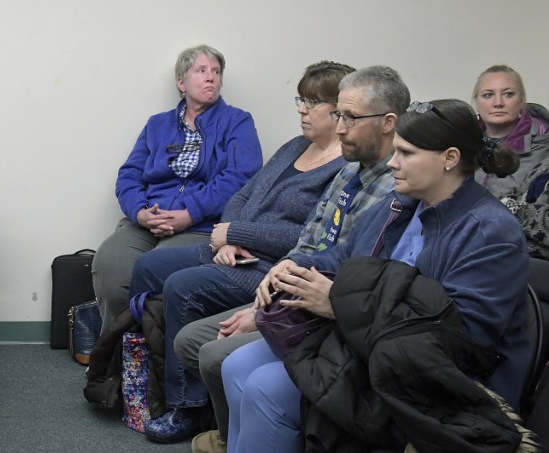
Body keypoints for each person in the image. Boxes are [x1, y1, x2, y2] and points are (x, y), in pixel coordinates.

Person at [222, 99, 529, 453]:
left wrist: (339, 305)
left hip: (438, 380)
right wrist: (295, 269)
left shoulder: (490, 233)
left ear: (450, 158)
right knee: (236, 365)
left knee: (266, 387)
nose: (393, 163)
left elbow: (461, 339)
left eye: (406, 153)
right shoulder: (404, 203)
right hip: (369, 340)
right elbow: (345, 256)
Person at [175, 65, 408, 452]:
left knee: (219, 350)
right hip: (291, 290)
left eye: (348, 116)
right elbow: (308, 240)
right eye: (338, 114)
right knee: (187, 319)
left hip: (324, 312)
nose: (340, 126)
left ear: (388, 123)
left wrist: (264, 306)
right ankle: (236, 435)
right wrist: (256, 264)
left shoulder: (393, 190)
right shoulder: (347, 171)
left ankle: (244, 432)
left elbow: (353, 275)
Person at [126, 61, 355, 444]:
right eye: (301, 99)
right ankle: (141, 380)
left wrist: (237, 232)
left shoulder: (344, 168)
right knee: (149, 265)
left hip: (266, 267)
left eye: (311, 102)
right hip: (234, 250)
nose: (301, 109)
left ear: (340, 110)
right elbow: (243, 194)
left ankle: (188, 406)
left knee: (183, 287)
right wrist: (227, 237)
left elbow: (308, 236)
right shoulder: (296, 146)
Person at [91, 45, 263, 331]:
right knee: (110, 261)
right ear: (181, 82)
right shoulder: (157, 125)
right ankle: (120, 352)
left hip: (201, 224)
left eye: (216, 72)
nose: (211, 78)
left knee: (157, 266)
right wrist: (141, 212)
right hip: (149, 220)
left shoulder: (237, 121)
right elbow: (129, 175)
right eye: (202, 70)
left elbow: (240, 178)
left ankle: (156, 356)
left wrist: (189, 212)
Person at [472, 65, 549, 197]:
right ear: (476, 103)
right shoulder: (464, 142)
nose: (498, 103)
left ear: (521, 101)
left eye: (508, 94)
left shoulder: (542, 142)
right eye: (488, 95)